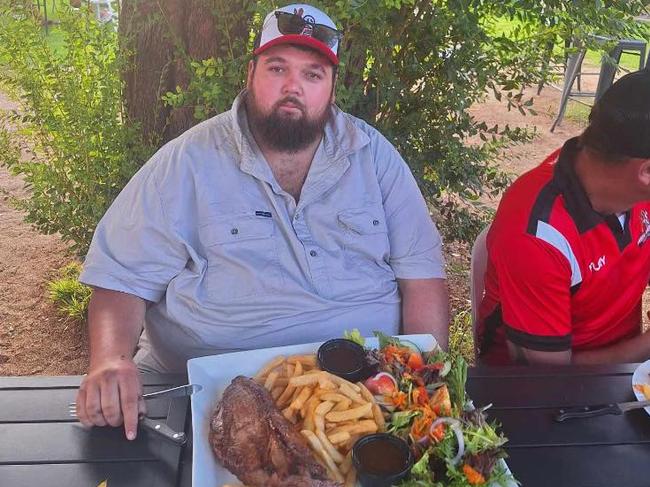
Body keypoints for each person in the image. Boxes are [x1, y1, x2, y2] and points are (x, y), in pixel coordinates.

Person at [75, 3, 449, 439]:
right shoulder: (189, 161)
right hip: (204, 401)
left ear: (331, 89)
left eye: (313, 74)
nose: (293, 87)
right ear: (251, 74)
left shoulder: (374, 156)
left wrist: (423, 384)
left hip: (361, 402)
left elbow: (422, 278)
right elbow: (120, 278)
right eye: (277, 68)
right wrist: (110, 360)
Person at [477, 69, 650, 366]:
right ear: (645, 172)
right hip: (534, 394)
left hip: (628, 371)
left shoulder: (623, 181)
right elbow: (549, 373)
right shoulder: (536, 232)